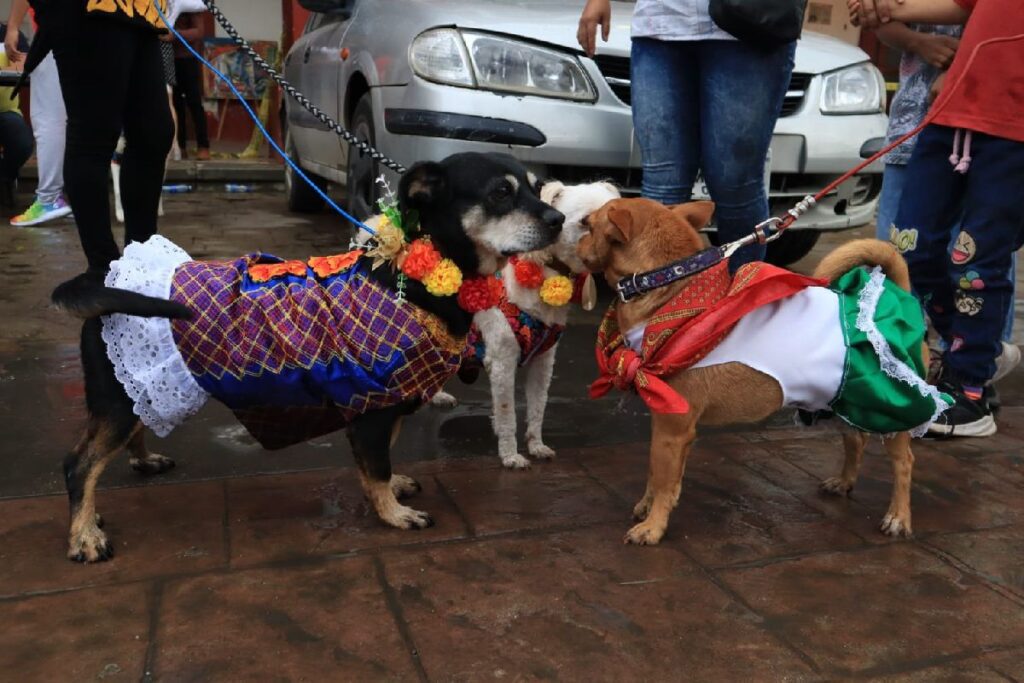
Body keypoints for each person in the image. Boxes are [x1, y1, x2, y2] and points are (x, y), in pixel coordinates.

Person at [851, 0, 1024, 436]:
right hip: (949, 113)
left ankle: (971, 394)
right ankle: (979, 350)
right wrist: (886, 7)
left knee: (976, 261)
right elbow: (963, 6)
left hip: (1013, 129)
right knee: (909, 249)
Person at [577, 0, 795, 269]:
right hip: (659, 25)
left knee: (734, 183)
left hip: (749, 26)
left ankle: (741, 301)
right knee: (661, 185)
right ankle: (661, 305)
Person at [28, 0, 175, 275]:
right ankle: (102, 269)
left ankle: (140, 261)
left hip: (138, 11)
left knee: (154, 132)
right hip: (84, 11)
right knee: (94, 134)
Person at [5, 0, 71, 227]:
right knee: (78, 119)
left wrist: (12, 27)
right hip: (100, 34)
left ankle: (49, 198)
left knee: (49, 119)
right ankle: (77, 197)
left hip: (57, 31)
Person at [0, 22, 33, 209]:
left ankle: (5, 177)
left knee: (22, 142)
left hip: (5, 112)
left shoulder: (9, 34)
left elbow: (25, 63)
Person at [172, 11, 210, 161]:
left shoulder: (190, 5)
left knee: (194, 103)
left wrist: (175, 34)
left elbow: (198, 31)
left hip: (188, 59)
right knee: (176, 105)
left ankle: (203, 146)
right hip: (169, 59)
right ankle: (180, 148)